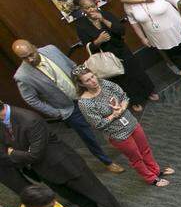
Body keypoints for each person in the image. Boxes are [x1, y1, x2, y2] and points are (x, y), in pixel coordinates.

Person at [10, 40, 119, 170]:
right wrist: (57, 113)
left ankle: (117, 142)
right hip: (69, 109)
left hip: (86, 97)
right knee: (89, 137)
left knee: (107, 119)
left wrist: (91, 87)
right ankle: (107, 162)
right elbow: (31, 100)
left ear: (35, 47)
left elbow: (73, 67)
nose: (30, 59)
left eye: (31, 54)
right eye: (25, 58)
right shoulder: (22, 76)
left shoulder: (51, 49)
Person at [73, 67, 172, 187]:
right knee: (136, 158)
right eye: (87, 80)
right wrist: (114, 115)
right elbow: (98, 124)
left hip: (131, 123)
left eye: (92, 76)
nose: (93, 81)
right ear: (81, 84)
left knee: (145, 150)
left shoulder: (105, 84)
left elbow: (124, 97)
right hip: (117, 134)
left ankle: (156, 171)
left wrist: (122, 107)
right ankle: (151, 179)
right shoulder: (84, 102)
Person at [72, 0, 158, 111]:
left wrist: (103, 19)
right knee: (121, 80)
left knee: (136, 71)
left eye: (93, 5)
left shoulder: (105, 14)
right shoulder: (81, 25)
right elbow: (88, 47)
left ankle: (149, 91)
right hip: (107, 57)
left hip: (121, 50)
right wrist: (98, 41)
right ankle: (134, 100)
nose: (91, 9)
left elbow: (121, 31)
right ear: (82, 9)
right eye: (87, 8)